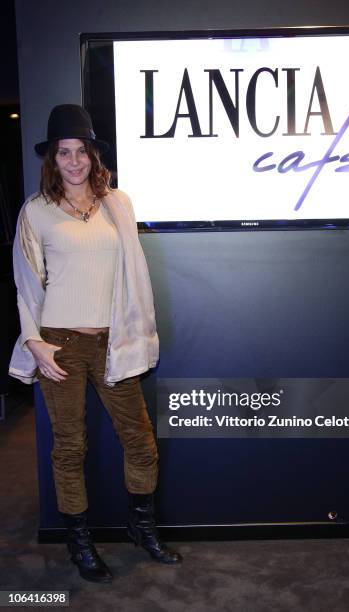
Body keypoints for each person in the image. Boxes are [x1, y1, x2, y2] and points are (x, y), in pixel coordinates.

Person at [8, 104, 182, 583]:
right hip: (59, 345)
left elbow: (132, 277)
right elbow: (26, 284)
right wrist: (33, 341)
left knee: (140, 441)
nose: (74, 161)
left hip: (114, 342)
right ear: (53, 159)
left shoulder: (117, 204)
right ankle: (79, 543)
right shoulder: (36, 211)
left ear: (93, 155)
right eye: (64, 152)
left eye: (81, 151)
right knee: (69, 447)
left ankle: (141, 529)